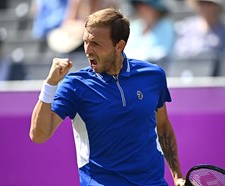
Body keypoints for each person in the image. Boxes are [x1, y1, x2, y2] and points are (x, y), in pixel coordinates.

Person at [30, 8, 185, 186]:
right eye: (85, 42)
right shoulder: (74, 85)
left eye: (96, 44)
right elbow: (38, 135)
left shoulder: (153, 76)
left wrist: (177, 175)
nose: (87, 50)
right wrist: (50, 85)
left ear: (119, 46)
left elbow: (163, 127)